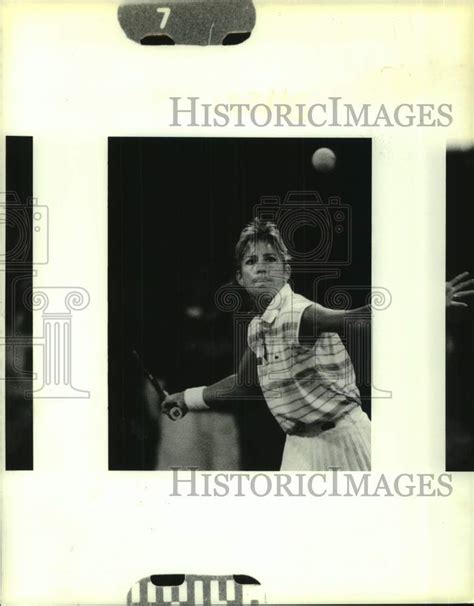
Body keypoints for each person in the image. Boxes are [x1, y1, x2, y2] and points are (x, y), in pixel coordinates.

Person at [162, 218, 372, 471]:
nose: (261, 268)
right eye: (251, 261)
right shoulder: (259, 327)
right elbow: (244, 384)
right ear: (240, 277)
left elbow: (357, 320)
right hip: (298, 445)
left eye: (271, 259)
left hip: (345, 440)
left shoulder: (296, 312)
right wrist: (188, 398)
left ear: (286, 271)